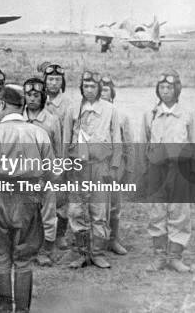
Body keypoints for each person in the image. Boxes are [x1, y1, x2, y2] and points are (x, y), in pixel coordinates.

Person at [0, 84, 54, 312]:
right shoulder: (38, 133)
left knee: (0, 260)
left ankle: (4, 311)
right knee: (24, 261)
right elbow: (52, 173)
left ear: (2, 104)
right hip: (28, 200)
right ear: (23, 107)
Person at [142, 69, 195, 273]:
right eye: (162, 87)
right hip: (156, 170)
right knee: (157, 211)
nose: (165, 91)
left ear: (177, 89)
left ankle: (175, 256)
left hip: (180, 169)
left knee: (179, 212)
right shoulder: (150, 114)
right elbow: (143, 144)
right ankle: (159, 256)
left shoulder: (188, 113)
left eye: (169, 87)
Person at [63, 71, 121, 269]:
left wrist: (113, 167)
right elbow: (65, 139)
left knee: (99, 212)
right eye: (86, 86)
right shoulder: (72, 109)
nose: (89, 90)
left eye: (93, 87)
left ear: (99, 89)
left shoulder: (110, 109)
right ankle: (82, 253)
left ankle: (97, 253)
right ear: (81, 88)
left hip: (100, 166)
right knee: (76, 211)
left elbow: (117, 140)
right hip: (78, 167)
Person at [22, 77, 62, 267]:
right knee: (25, 214)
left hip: (45, 175)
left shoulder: (52, 120)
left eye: (36, 94)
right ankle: (27, 249)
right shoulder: (18, 119)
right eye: (28, 94)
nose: (32, 98)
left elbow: (58, 149)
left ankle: (46, 250)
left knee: (48, 215)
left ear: (43, 96)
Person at [99, 75, 132, 255]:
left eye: (105, 89)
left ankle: (113, 240)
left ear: (112, 92)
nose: (102, 92)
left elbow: (128, 144)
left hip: (115, 166)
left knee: (114, 205)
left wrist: (128, 168)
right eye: (99, 89)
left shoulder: (122, 116)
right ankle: (96, 240)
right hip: (95, 166)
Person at [43, 63, 72, 250]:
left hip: (59, 153)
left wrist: (62, 162)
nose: (53, 83)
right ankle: (41, 233)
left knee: (61, 198)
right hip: (40, 155)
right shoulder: (38, 99)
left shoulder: (68, 104)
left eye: (57, 80)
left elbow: (67, 135)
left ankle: (60, 234)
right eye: (50, 79)